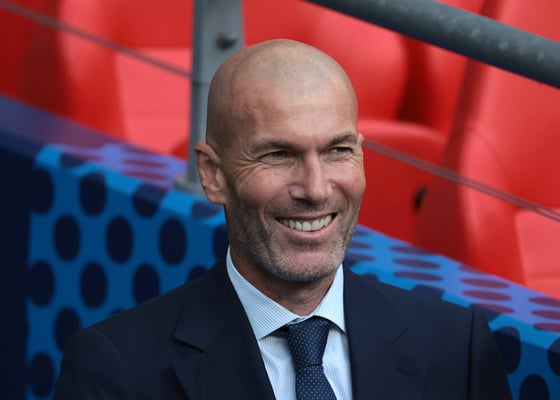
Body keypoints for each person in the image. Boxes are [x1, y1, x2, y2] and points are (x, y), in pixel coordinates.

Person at [53, 39, 512, 399]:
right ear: (213, 175)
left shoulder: (457, 345)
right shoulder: (118, 368)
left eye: (337, 151)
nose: (316, 189)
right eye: (278, 155)